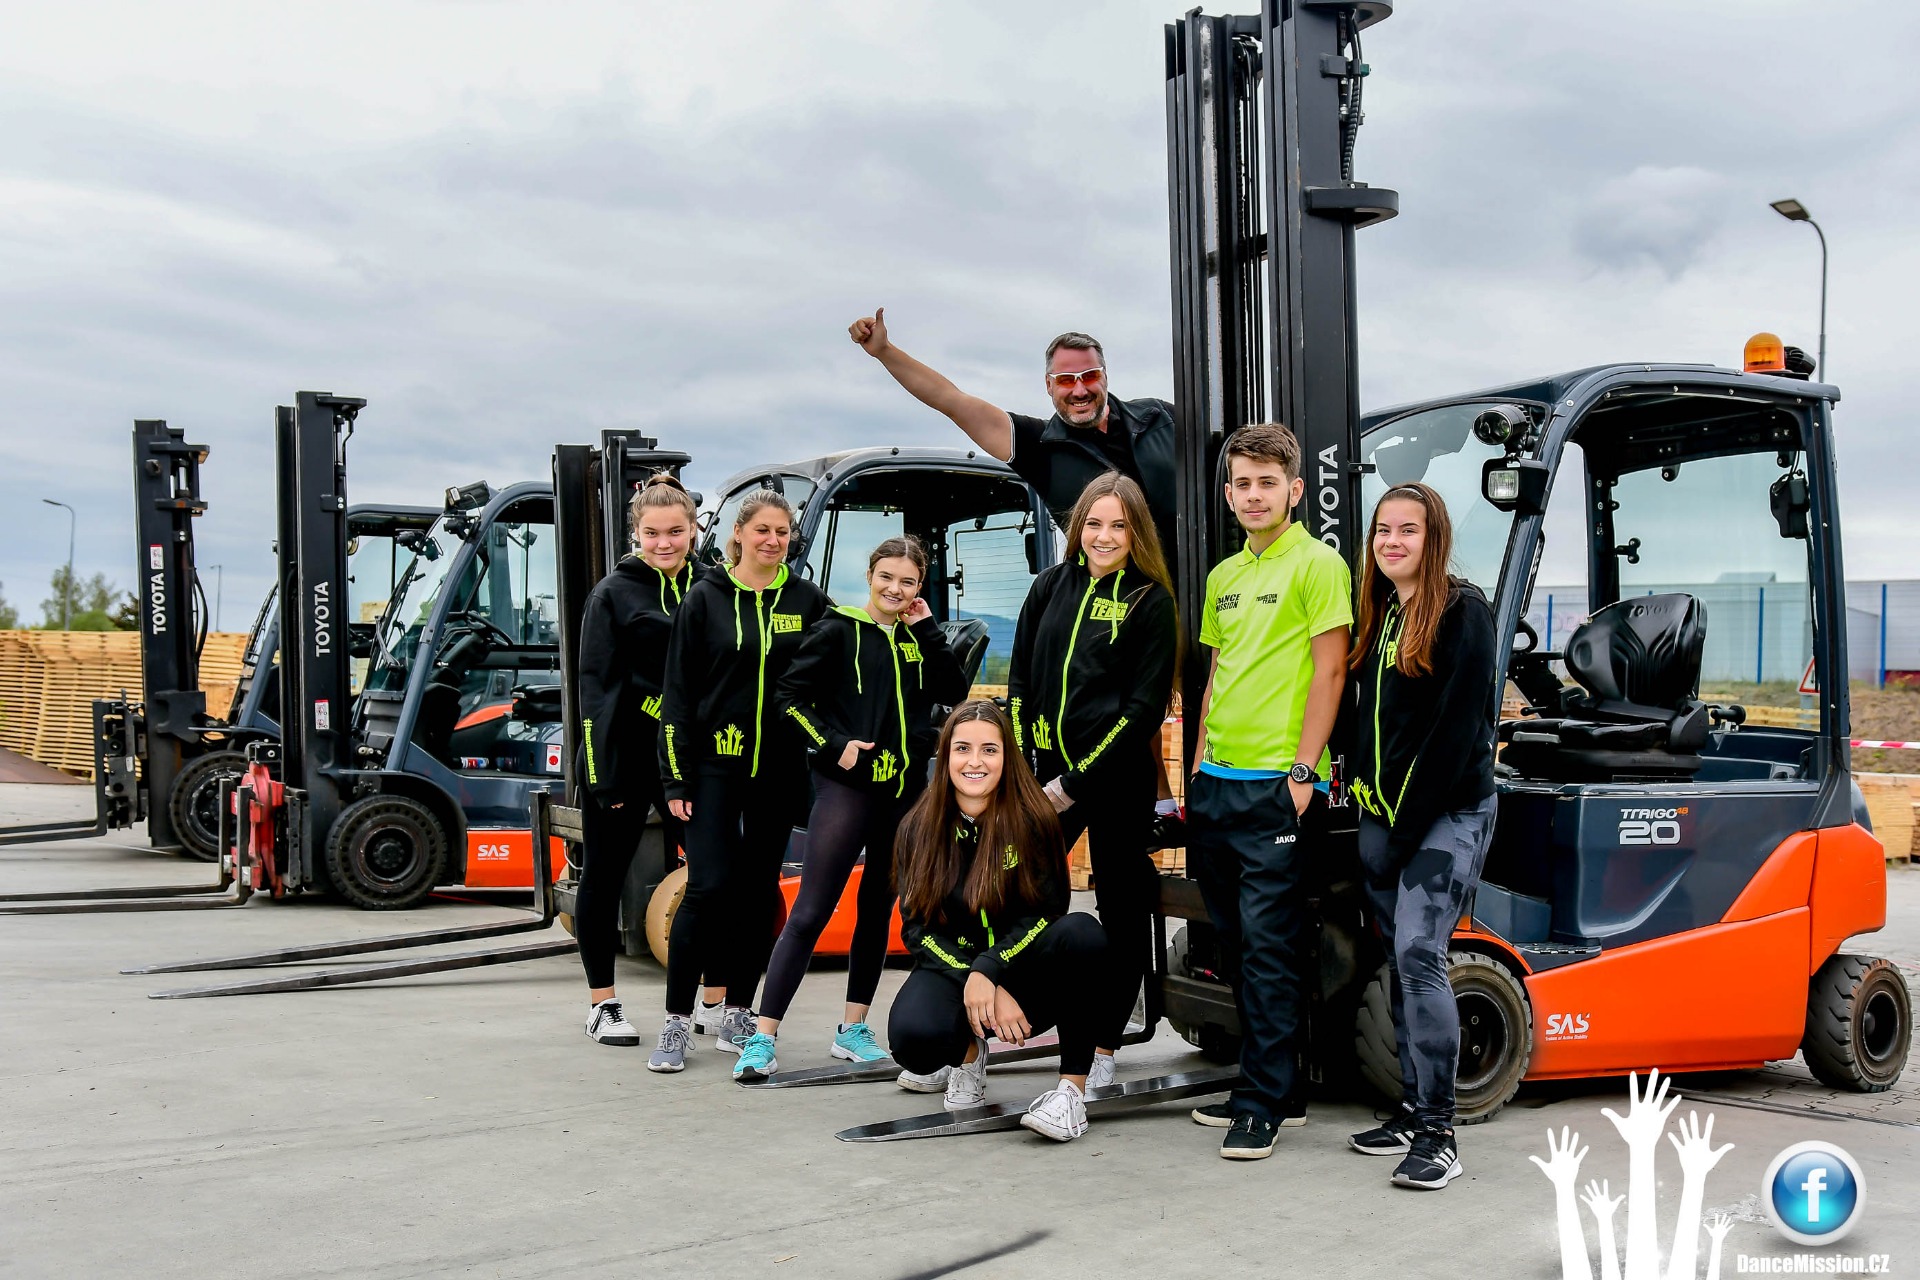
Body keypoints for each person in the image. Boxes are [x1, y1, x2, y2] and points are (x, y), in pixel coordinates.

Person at [731, 536, 970, 1081]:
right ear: (869, 576)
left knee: (876, 910)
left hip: (903, 795)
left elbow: (954, 689)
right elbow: (788, 699)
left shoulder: (916, 639)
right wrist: (832, 742)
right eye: (887, 577)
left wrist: (927, 629)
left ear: (919, 587)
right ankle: (762, 1037)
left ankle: (853, 1028)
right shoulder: (837, 630)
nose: (895, 589)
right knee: (811, 912)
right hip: (847, 790)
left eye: (907, 581)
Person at [1184, 423, 1353, 1160]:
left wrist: (1304, 775)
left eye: (1267, 483)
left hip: (1275, 790)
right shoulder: (1224, 577)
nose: (1254, 495)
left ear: (1295, 490)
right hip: (1217, 788)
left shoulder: (1319, 565)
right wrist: (1196, 768)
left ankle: (1260, 1106)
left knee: (1268, 950)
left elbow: (1331, 671)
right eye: (1243, 484)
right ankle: (1276, 1087)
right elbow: (1216, 679)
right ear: (1228, 494)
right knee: (1235, 947)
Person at [1340, 482, 1499, 1190]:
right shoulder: (1379, 615)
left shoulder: (1464, 613)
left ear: (1434, 539)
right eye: (1383, 530)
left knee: (1418, 954)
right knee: (1398, 962)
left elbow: (1454, 735)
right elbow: (1365, 718)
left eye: (1409, 530)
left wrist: (1403, 824)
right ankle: (1410, 1110)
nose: (1393, 541)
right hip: (1385, 818)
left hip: (1445, 816)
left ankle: (1439, 1134)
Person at [1007, 471, 1177, 1089]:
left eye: (1119, 526)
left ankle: (1104, 1045)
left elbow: (1141, 712)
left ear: (1137, 534)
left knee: (1121, 912)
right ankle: (1004, 1021)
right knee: (1020, 895)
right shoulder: (1049, 586)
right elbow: (1020, 681)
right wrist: (1027, 768)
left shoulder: (1150, 602)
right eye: (1094, 523)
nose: (1104, 536)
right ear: (1077, 526)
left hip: (1114, 784)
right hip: (1044, 778)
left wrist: (1074, 782)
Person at [650, 490, 830, 1072]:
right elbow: (677, 695)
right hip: (712, 771)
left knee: (758, 893)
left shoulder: (806, 600)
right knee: (707, 888)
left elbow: (846, 657)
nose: (773, 540)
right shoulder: (705, 598)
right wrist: (675, 779)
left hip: (778, 771)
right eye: (762, 530)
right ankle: (677, 1021)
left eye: (782, 532)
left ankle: (737, 1012)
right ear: (739, 534)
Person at [887, 699, 1110, 1142]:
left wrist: (992, 970)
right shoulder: (917, 828)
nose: (975, 762)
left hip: (1025, 981)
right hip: (958, 974)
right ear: (945, 756)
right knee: (913, 1039)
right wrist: (975, 977)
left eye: (989, 750)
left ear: (1007, 757)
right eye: (963, 748)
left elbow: (1048, 912)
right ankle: (969, 1056)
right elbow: (916, 929)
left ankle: (1071, 1094)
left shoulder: (1033, 821)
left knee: (1083, 934)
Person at [846, 309, 1178, 572]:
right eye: (1066, 380)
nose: (1079, 390)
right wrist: (885, 352)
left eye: (1089, 376)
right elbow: (951, 400)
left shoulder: (1159, 416)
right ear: (1049, 385)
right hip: (1121, 607)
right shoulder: (1040, 448)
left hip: (1198, 592)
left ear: (1105, 376)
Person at [575, 475, 714, 1051]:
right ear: (636, 533)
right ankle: (602, 1005)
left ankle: (713, 1002)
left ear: (693, 530)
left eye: (675, 531)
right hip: (626, 759)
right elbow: (595, 690)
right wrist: (601, 776)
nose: (664, 543)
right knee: (605, 874)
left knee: (711, 877)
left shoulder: (713, 585)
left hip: (691, 763)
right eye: (652, 533)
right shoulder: (613, 594)